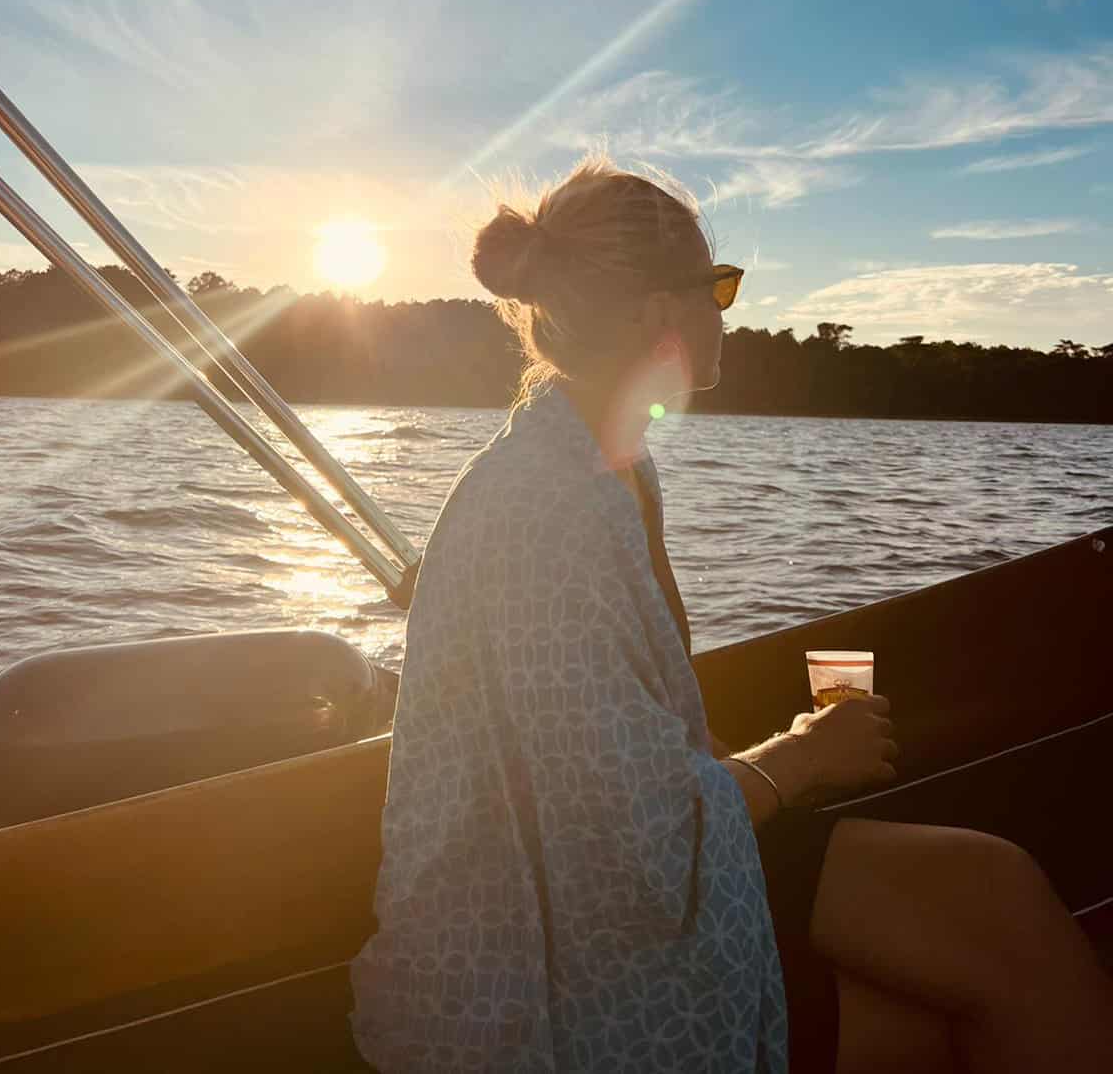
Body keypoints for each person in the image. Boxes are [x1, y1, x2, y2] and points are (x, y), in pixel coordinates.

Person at [351, 156, 1112, 1073]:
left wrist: (768, 760)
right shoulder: (541, 514)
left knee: (991, 889)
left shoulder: (612, 466)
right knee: (940, 1005)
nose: (727, 309)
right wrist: (800, 759)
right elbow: (623, 848)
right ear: (651, 311)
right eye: (717, 285)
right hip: (548, 972)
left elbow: (634, 752)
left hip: (634, 898)